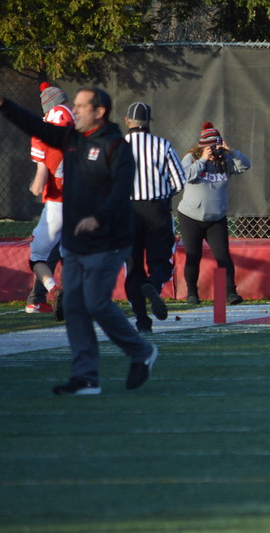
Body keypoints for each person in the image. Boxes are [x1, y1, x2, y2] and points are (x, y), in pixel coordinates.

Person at [0, 87, 158, 395]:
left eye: (82, 106)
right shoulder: (71, 139)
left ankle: (142, 352)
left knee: (96, 302)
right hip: (76, 241)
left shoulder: (116, 146)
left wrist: (97, 217)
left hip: (109, 239)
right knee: (73, 304)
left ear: (99, 112)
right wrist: (5, 105)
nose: (76, 110)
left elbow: (119, 192)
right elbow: (37, 127)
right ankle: (86, 376)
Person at [123, 102, 186, 333]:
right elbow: (179, 182)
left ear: (127, 120)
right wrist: (160, 195)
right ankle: (154, 284)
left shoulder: (117, 146)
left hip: (126, 212)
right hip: (156, 209)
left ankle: (142, 320)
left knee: (133, 267)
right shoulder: (162, 145)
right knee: (161, 263)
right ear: (149, 121)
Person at [177, 121, 250, 306]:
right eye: (211, 146)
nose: (214, 150)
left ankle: (230, 293)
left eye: (216, 145)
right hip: (191, 217)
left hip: (216, 218)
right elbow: (185, 176)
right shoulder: (191, 158)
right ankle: (192, 294)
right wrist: (202, 160)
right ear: (202, 146)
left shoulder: (225, 160)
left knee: (223, 255)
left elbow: (245, 166)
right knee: (193, 255)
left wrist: (231, 151)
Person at [25, 82, 75, 318]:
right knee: (70, 255)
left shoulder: (42, 137)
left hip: (56, 204)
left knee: (37, 257)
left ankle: (53, 290)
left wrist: (34, 188)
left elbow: (39, 182)